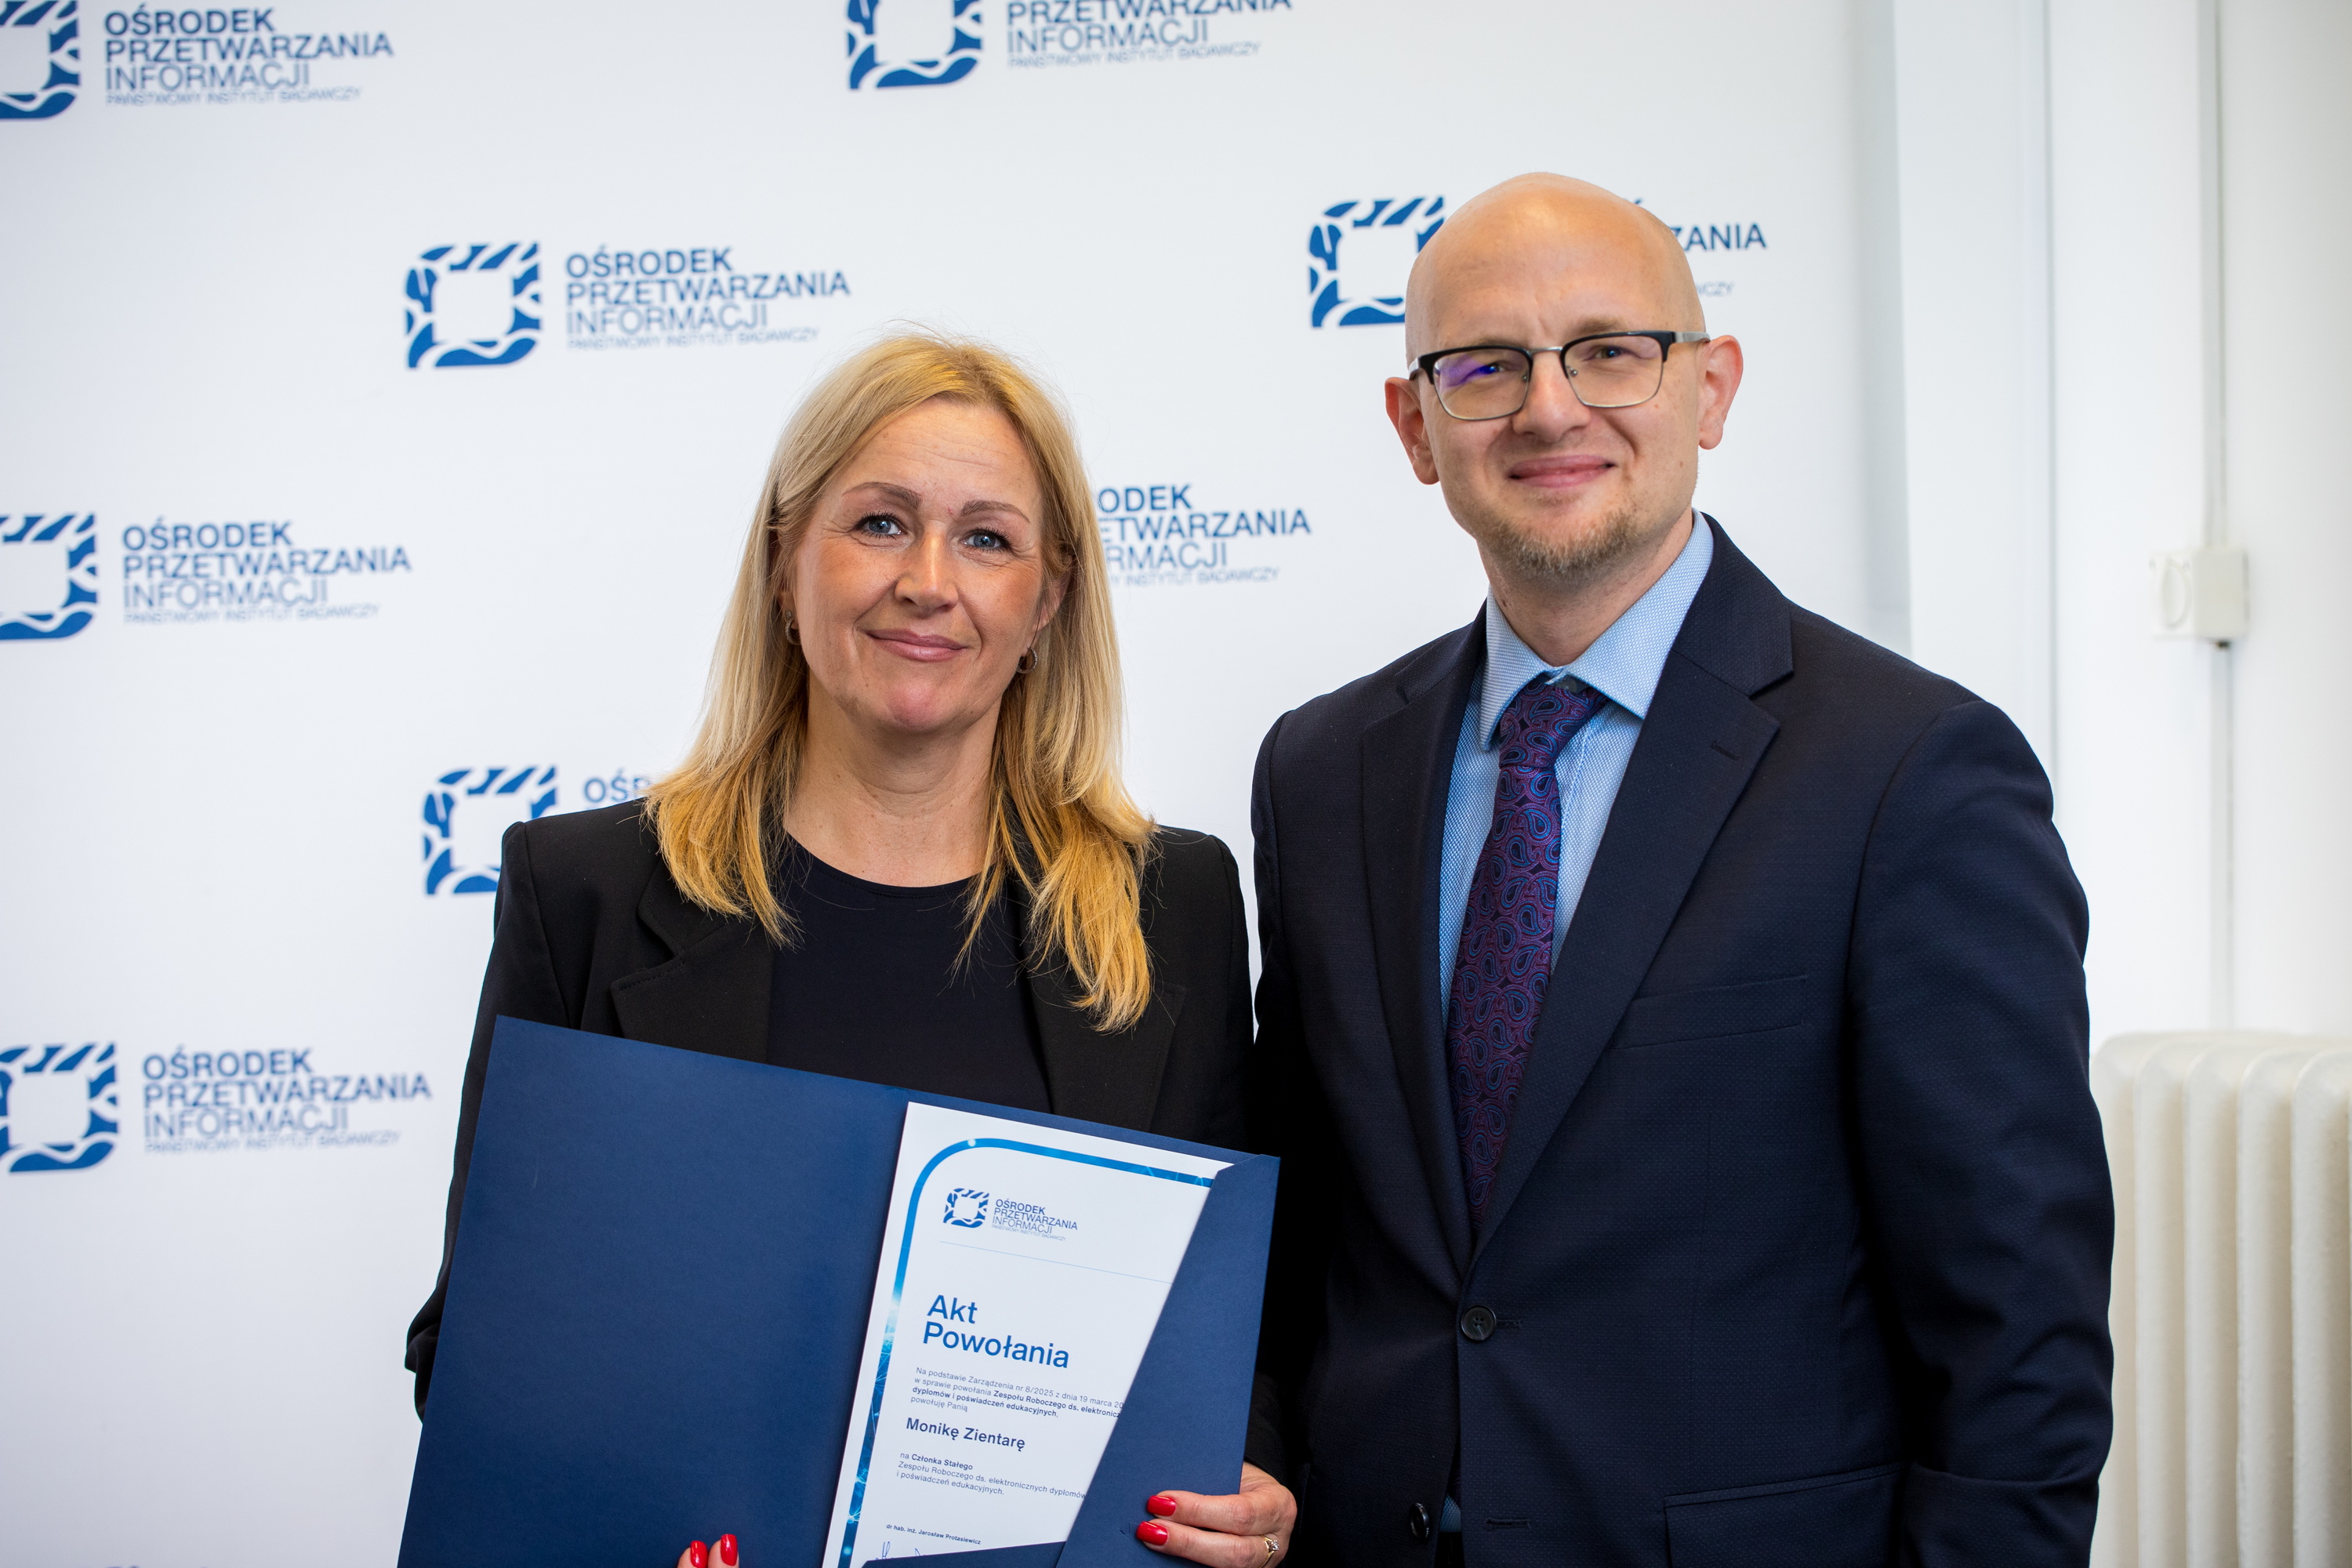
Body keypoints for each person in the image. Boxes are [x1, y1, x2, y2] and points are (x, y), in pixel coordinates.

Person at [1154, 175, 2114, 1567]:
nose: (1551, 409)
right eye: (1485, 367)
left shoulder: (1913, 773)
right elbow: (1306, 1229)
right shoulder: (1321, 770)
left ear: (1710, 391)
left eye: (1611, 351)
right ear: (1415, 426)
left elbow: (2016, 1326)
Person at [399, 332, 1299, 1566]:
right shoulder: (587, 892)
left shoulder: (1170, 904)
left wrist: (1255, 1480)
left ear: (1047, 601)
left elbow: (1242, 1327)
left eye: (987, 538)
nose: (928, 581)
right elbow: (478, 1350)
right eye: (880, 523)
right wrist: (628, 1520)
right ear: (784, 563)